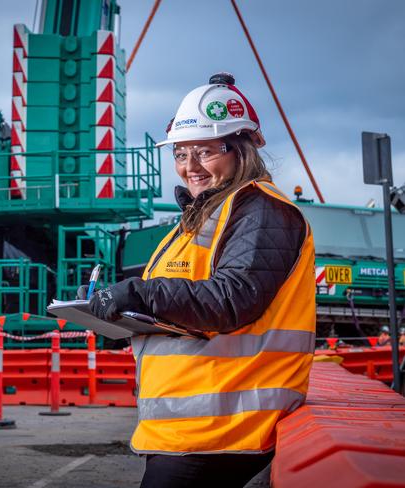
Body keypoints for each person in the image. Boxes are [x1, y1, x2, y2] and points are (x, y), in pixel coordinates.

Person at [83, 73, 316, 487]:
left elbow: (232, 300)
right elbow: (185, 307)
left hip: (224, 431)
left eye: (204, 152)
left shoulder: (262, 212)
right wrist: (122, 318)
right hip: (189, 430)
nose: (189, 167)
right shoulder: (201, 217)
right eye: (180, 153)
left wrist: (139, 292)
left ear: (241, 148)